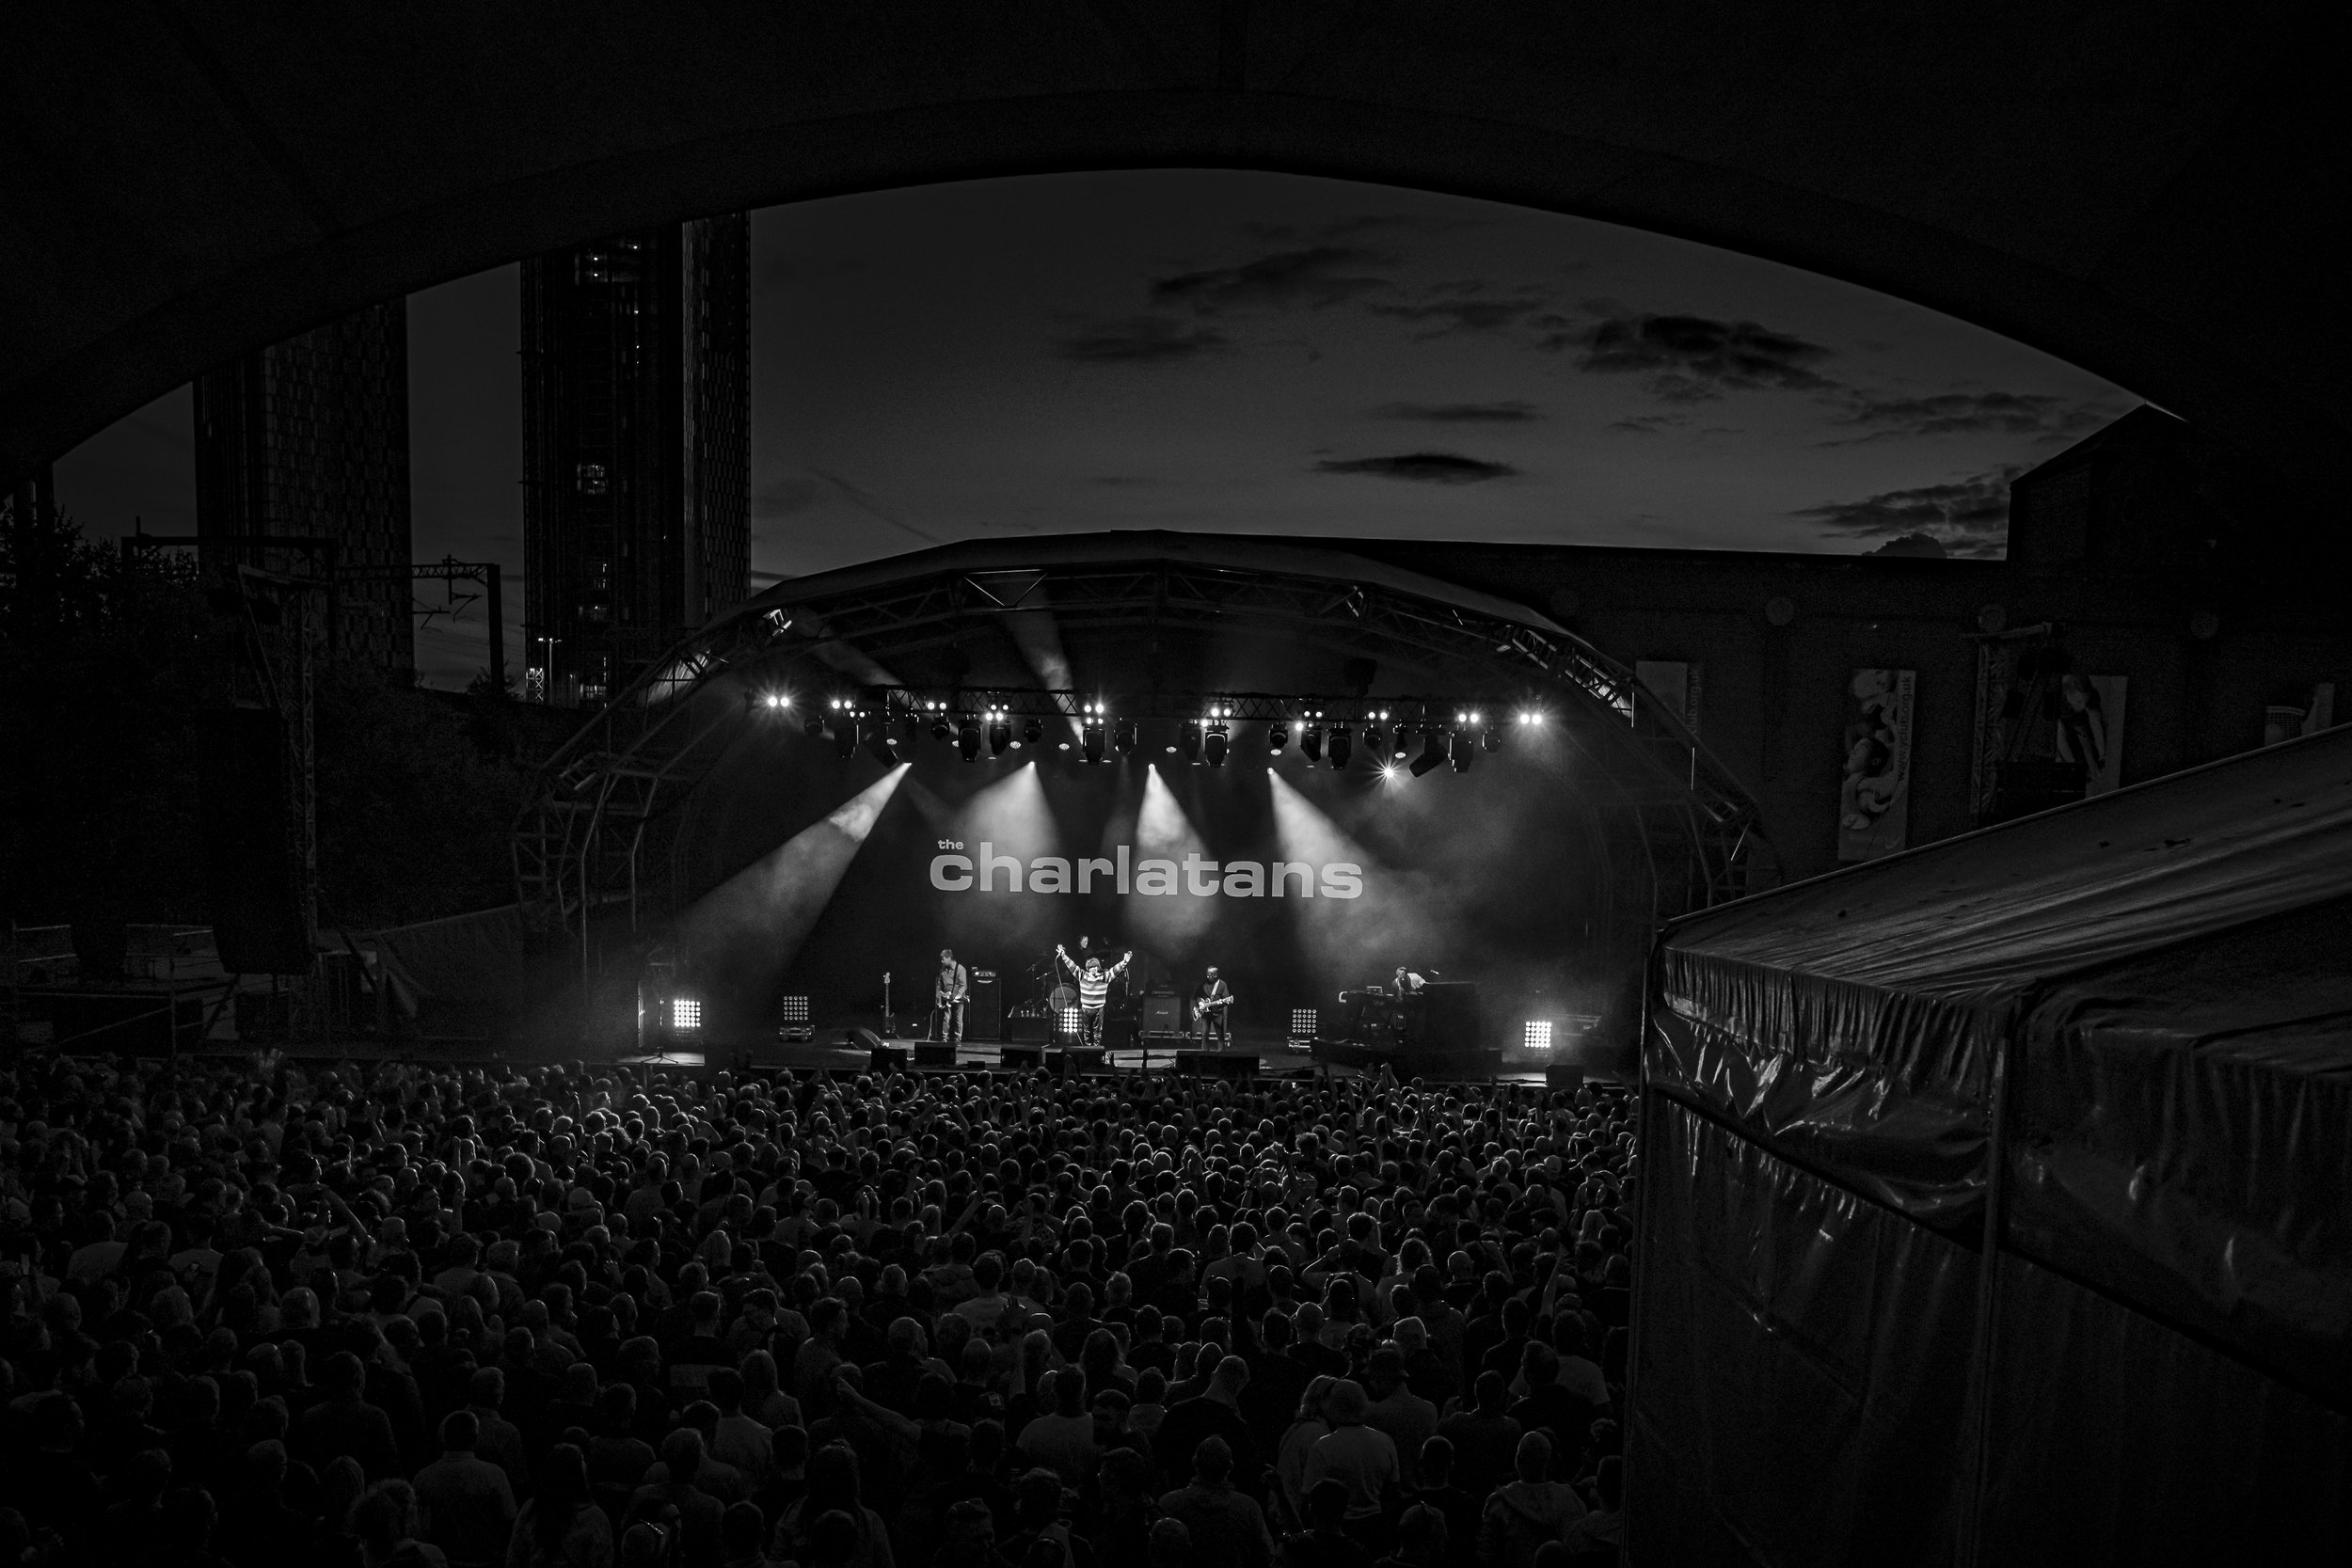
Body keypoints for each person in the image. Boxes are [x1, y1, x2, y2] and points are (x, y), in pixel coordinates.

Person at [1474, 1434, 1583, 1568]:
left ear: (1519, 1459)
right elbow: (1578, 1545)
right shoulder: (1568, 1498)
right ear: (1548, 1461)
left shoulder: (1501, 1502)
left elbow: (1485, 1553)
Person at [1056, 945, 1133, 1051]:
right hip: (1086, 1009)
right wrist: (1064, 956)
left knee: (1097, 1032)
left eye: (1095, 968)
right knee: (1086, 1031)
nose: (1093, 970)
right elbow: (1072, 966)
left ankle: (1096, 1051)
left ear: (1098, 967)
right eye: (1091, 969)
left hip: (1099, 1009)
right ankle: (1087, 1051)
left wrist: (1124, 961)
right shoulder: (1082, 975)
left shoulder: (1104, 977)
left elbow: (1115, 970)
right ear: (1088, 969)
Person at [1191, 968, 1234, 1049]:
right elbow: (1196, 995)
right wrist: (1200, 1002)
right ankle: (1204, 1055)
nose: (1207, 977)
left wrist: (1221, 1003)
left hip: (1217, 1013)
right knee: (1204, 1035)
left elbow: (1227, 999)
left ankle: (1221, 1055)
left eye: (1209, 975)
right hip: (1206, 1014)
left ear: (1215, 975)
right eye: (1207, 975)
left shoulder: (1222, 984)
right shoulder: (1204, 984)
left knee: (1220, 1036)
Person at [935, 949, 970, 1047]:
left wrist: (957, 996)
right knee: (946, 1019)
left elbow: (964, 986)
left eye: (943, 959)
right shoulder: (942, 969)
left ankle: (957, 1039)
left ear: (949, 958)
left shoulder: (960, 969)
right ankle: (944, 1038)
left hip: (958, 999)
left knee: (958, 1019)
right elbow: (939, 986)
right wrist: (939, 999)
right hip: (947, 999)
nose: (941, 961)